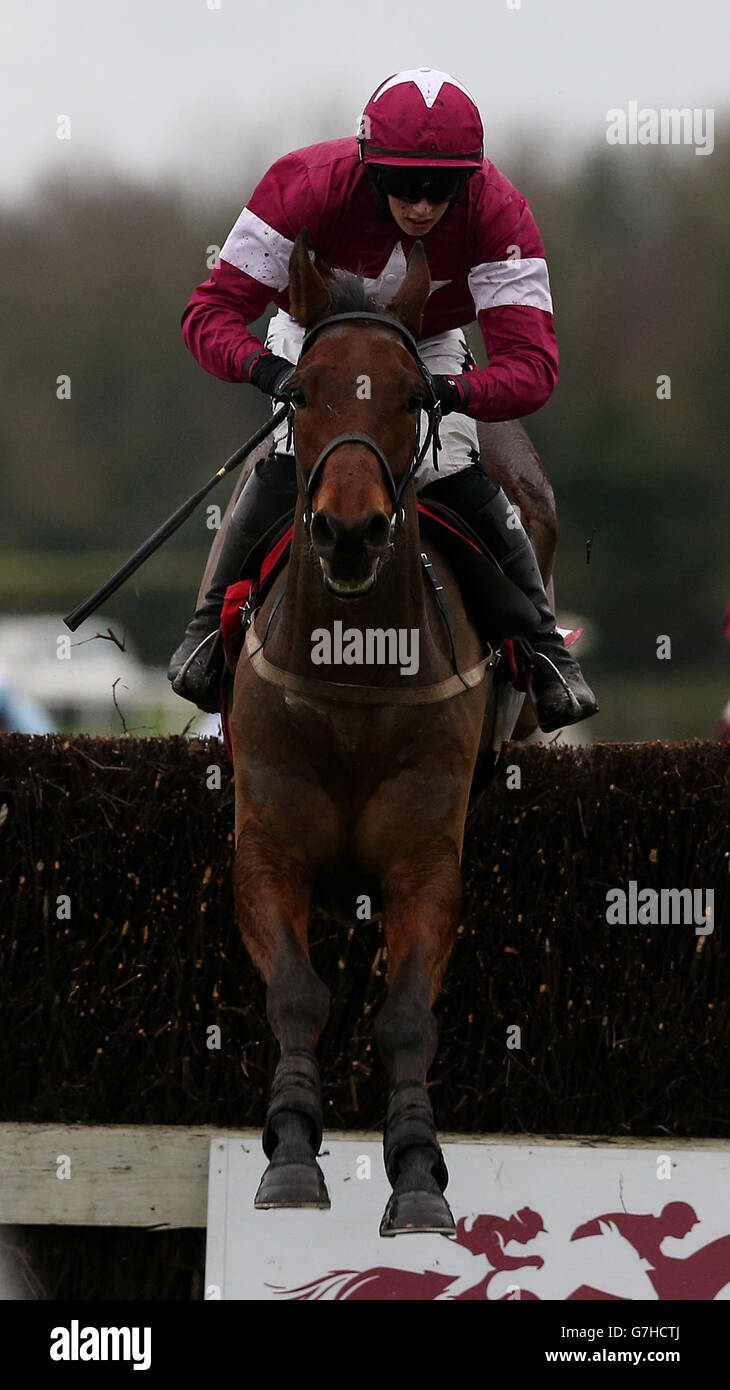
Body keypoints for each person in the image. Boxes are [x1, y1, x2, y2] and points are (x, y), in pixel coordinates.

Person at [169, 67, 598, 732]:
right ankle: (206, 631)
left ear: (472, 180)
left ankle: (542, 649)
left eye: (443, 189)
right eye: (405, 185)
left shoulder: (501, 212)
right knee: (292, 461)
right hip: (313, 334)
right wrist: (264, 369)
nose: (423, 205)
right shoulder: (302, 185)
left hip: (423, 342)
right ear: (369, 166)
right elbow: (210, 314)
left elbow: (534, 367)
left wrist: (452, 390)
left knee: (448, 465)